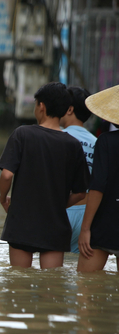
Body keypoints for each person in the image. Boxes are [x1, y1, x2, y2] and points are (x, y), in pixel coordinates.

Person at [0, 82, 90, 269]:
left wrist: (3, 198)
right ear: (65, 110)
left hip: (21, 223)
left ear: (41, 106)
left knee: (18, 285)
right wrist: (56, 204)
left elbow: (7, 175)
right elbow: (81, 193)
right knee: (52, 288)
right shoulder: (73, 145)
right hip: (55, 226)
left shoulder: (22, 134)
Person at [78, 84, 119, 272]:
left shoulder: (106, 142)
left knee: (84, 289)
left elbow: (97, 187)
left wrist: (85, 228)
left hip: (105, 224)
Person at [60, 86, 96, 254]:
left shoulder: (56, 138)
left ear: (69, 109)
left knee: (52, 269)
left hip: (61, 210)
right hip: (87, 215)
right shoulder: (97, 142)